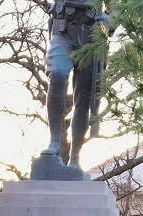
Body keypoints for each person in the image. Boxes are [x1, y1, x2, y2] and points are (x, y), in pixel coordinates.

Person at [41, 1, 108, 169]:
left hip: (92, 34)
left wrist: (109, 18)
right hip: (64, 30)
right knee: (57, 74)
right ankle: (55, 142)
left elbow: (120, 6)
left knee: (84, 99)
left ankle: (75, 156)